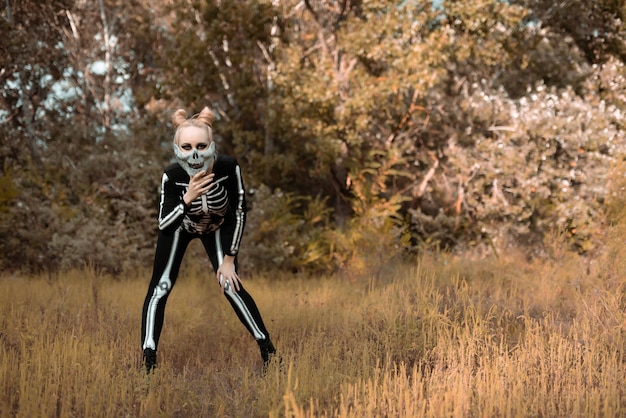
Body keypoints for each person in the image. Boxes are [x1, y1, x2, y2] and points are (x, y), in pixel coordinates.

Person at [141, 106, 276, 373]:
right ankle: (148, 360)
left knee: (231, 284)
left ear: (212, 146)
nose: (194, 154)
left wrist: (229, 259)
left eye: (201, 146)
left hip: (216, 225)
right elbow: (164, 224)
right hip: (182, 226)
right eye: (187, 146)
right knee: (161, 287)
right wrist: (187, 199)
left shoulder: (228, 167)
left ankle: (269, 352)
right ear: (177, 148)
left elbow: (238, 210)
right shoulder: (173, 176)